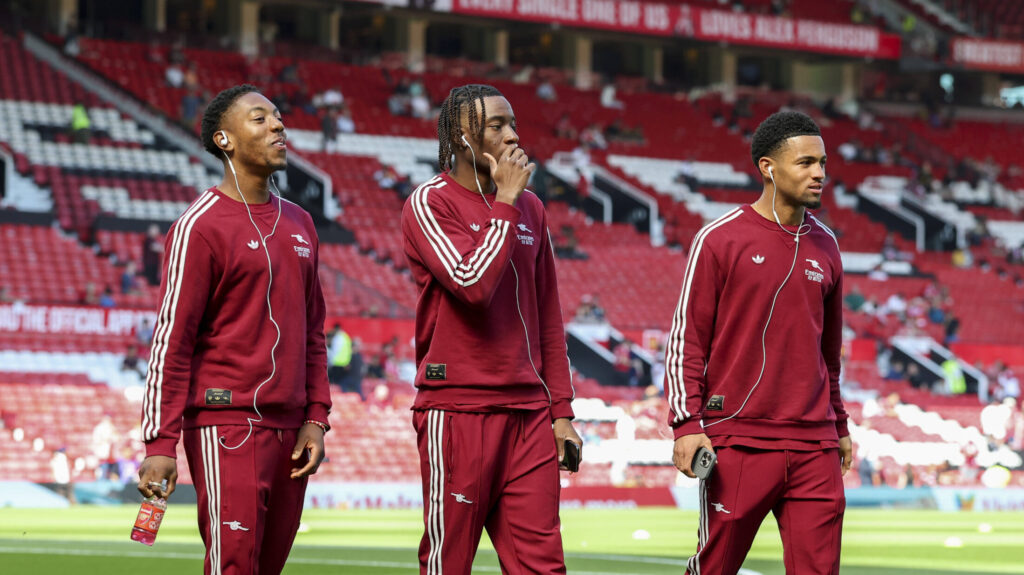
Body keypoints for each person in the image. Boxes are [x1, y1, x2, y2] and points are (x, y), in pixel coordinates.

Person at [136, 85, 332, 575]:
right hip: (225, 426)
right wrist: (160, 444)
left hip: (291, 431)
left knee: (267, 567)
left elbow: (313, 333)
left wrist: (316, 416)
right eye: (260, 119)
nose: (278, 126)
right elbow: (171, 341)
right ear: (224, 139)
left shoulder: (302, 223)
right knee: (234, 565)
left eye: (279, 117)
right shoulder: (197, 227)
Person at [401, 84, 582, 574]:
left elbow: (548, 316)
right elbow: (470, 284)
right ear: (462, 135)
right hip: (458, 409)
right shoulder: (429, 203)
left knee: (543, 566)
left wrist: (561, 411)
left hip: (528, 415)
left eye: (513, 124)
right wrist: (505, 200)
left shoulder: (533, 209)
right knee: (448, 563)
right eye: (497, 125)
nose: (513, 136)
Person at [665, 111, 852, 575]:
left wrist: (840, 424)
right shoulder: (719, 238)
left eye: (823, 163)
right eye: (806, 162)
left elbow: (829, 354)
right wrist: (687, 424)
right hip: (739, 439)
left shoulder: (827, 245)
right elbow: (687, 340)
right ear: (768, 167)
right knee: (715, 567)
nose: (819, 174)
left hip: (815, 444)